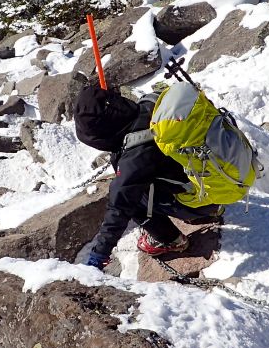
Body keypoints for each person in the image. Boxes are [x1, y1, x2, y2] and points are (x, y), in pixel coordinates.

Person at [74, 83, 220, 269]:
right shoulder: (152, 104)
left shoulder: (134, 159)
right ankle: (212, 206)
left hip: (204, 197)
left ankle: (171, 239)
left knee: (133, 202)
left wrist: (98, 255)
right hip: (219, 174)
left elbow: (118, 209)